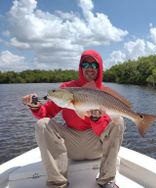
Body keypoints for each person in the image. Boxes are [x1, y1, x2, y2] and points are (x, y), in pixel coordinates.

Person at [22, 50, 124, 188]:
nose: (89, 68)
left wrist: (96, 119)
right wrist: (35, 107)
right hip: (71, 145)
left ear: (99, 68)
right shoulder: (66, 88)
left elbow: (104, 131)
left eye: (94, 64)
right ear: (80, 67)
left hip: (96, 146)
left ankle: (107, 181)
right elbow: (46, 113)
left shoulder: (105, 94)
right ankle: (58, 183)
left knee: (119, 121)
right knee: (42, 124)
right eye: (85, 64)